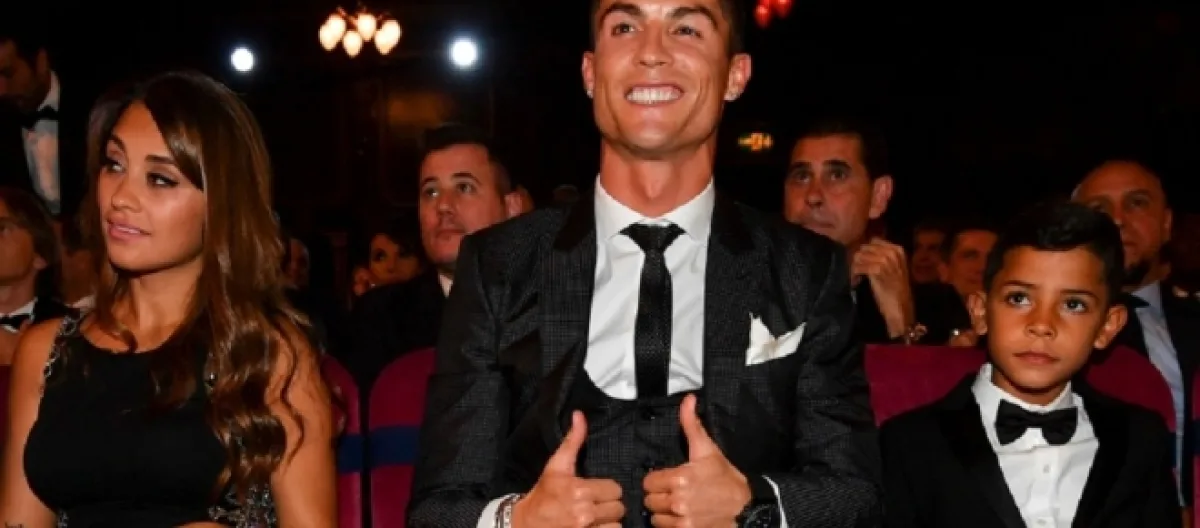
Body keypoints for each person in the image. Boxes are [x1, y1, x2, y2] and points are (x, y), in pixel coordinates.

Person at [408, 0, 881, 526]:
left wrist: (756, 508)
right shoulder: (497, 266)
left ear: (735, 75)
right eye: (625, 26)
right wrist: (517, 521)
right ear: (591, 72)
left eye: (687, 28)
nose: (652, 52)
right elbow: (436, 509)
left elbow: (855, 492)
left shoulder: (805, 269)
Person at [0, 71, 336, 526]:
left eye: (160, 179)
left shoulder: (268, 354)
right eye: (114, 164)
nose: (121, 197)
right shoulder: (45, 351)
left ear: (220, 202)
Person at [881, 201, 1180, 527]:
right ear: (980, 311)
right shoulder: (910, 444)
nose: (1042, 324)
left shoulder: (1140, 440)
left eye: (1073, 304)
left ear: (1107, 326)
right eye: (1019, 298)